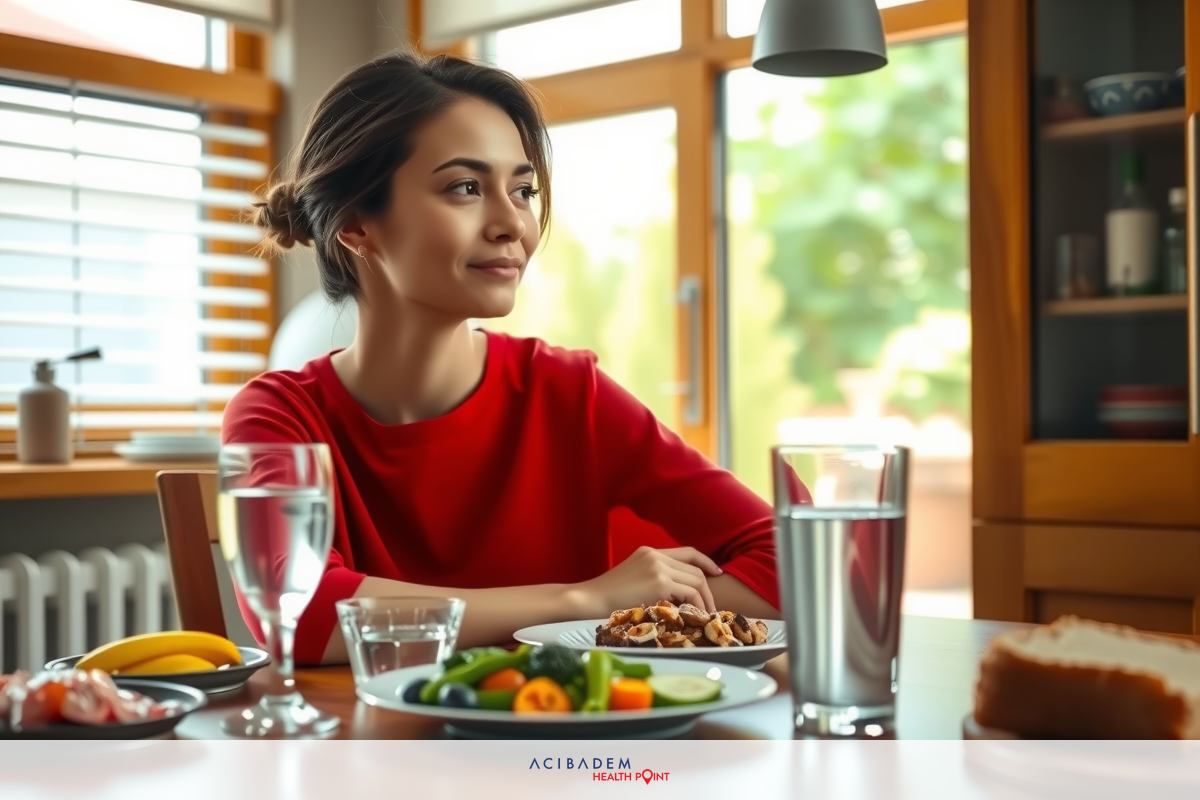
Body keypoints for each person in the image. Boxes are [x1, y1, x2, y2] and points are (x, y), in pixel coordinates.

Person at [223, 47, 783, 666]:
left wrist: (634, 622)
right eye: (465, 187)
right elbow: (298, 614)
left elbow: (796, 556)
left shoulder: (571, 393)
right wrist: (581, 603)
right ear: (357, 224)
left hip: (568, 752)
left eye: (523, 189)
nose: (512, 223)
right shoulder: (277, 414)